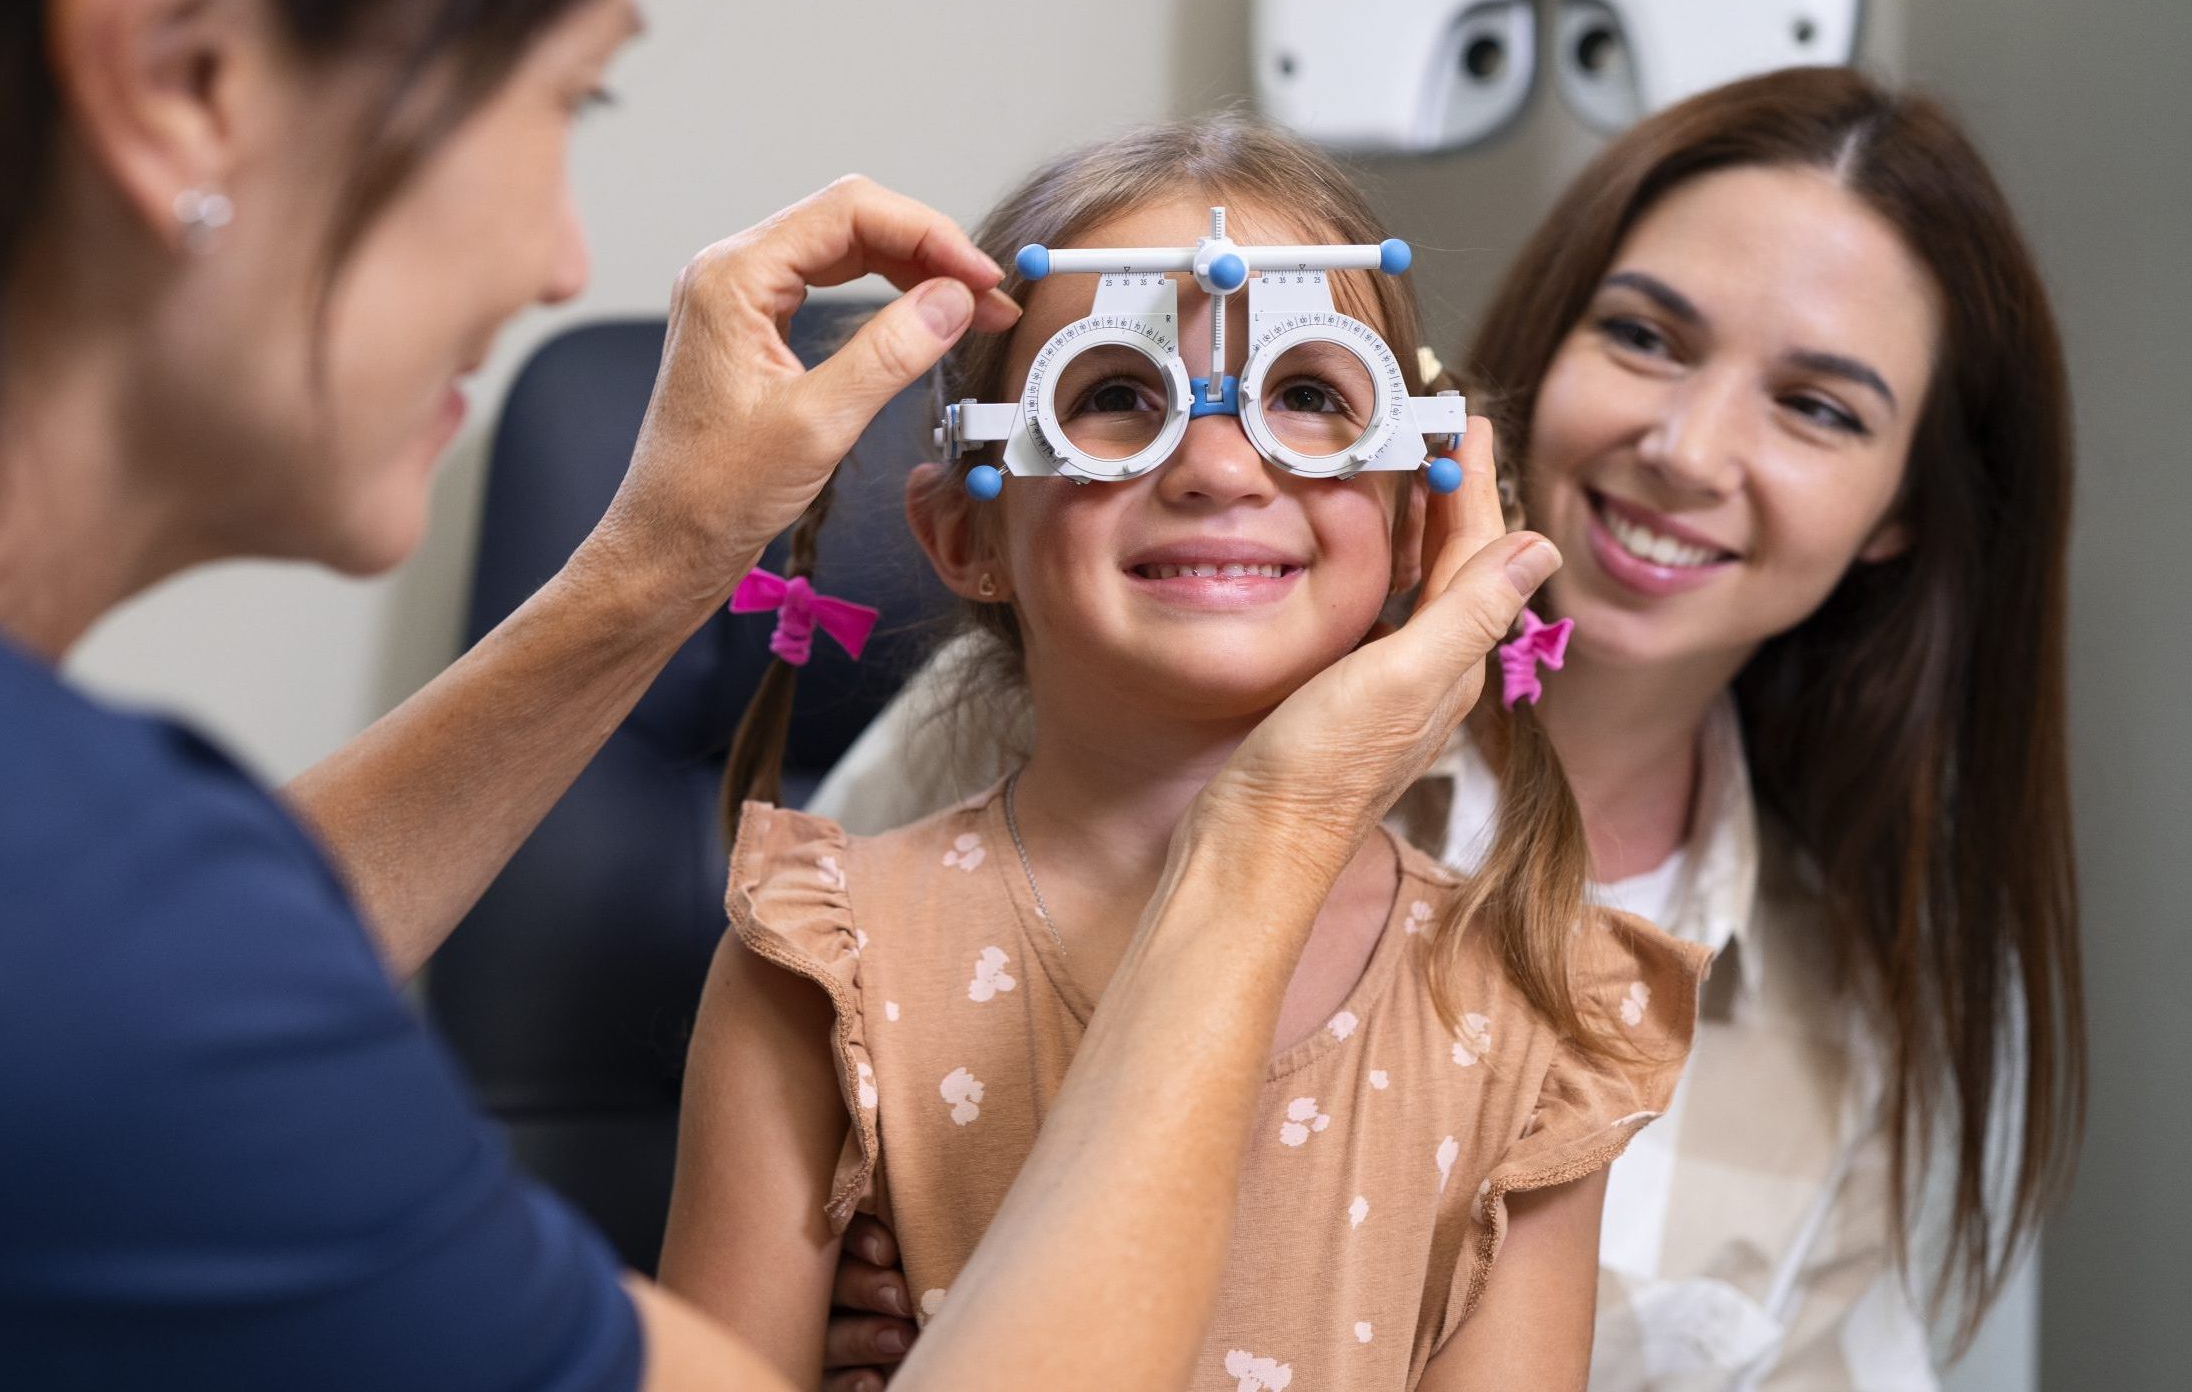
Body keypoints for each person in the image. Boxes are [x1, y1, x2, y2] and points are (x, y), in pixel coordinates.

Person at [0, 0, 1565, 1389]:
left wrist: (654, 560)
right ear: (182, 61)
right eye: (562, 99)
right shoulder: (818, 961)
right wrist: (1275, 825)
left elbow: (191, 993)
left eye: (1304, 398)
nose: (564, 261)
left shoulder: (118, 924)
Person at [809, 70, 2085, 1392]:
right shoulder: (1104, 700)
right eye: (1645, 337)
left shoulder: (1875, 1013)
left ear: (1902, 512)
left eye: (1817, 409)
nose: (1688, 450)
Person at [657, 117, 1711, 1392]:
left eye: (1309, 397)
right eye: (1112, 395)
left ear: (1417, 502)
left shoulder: (1529, 1002)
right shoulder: (822, 962)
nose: (1217, 464)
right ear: (961, 533)